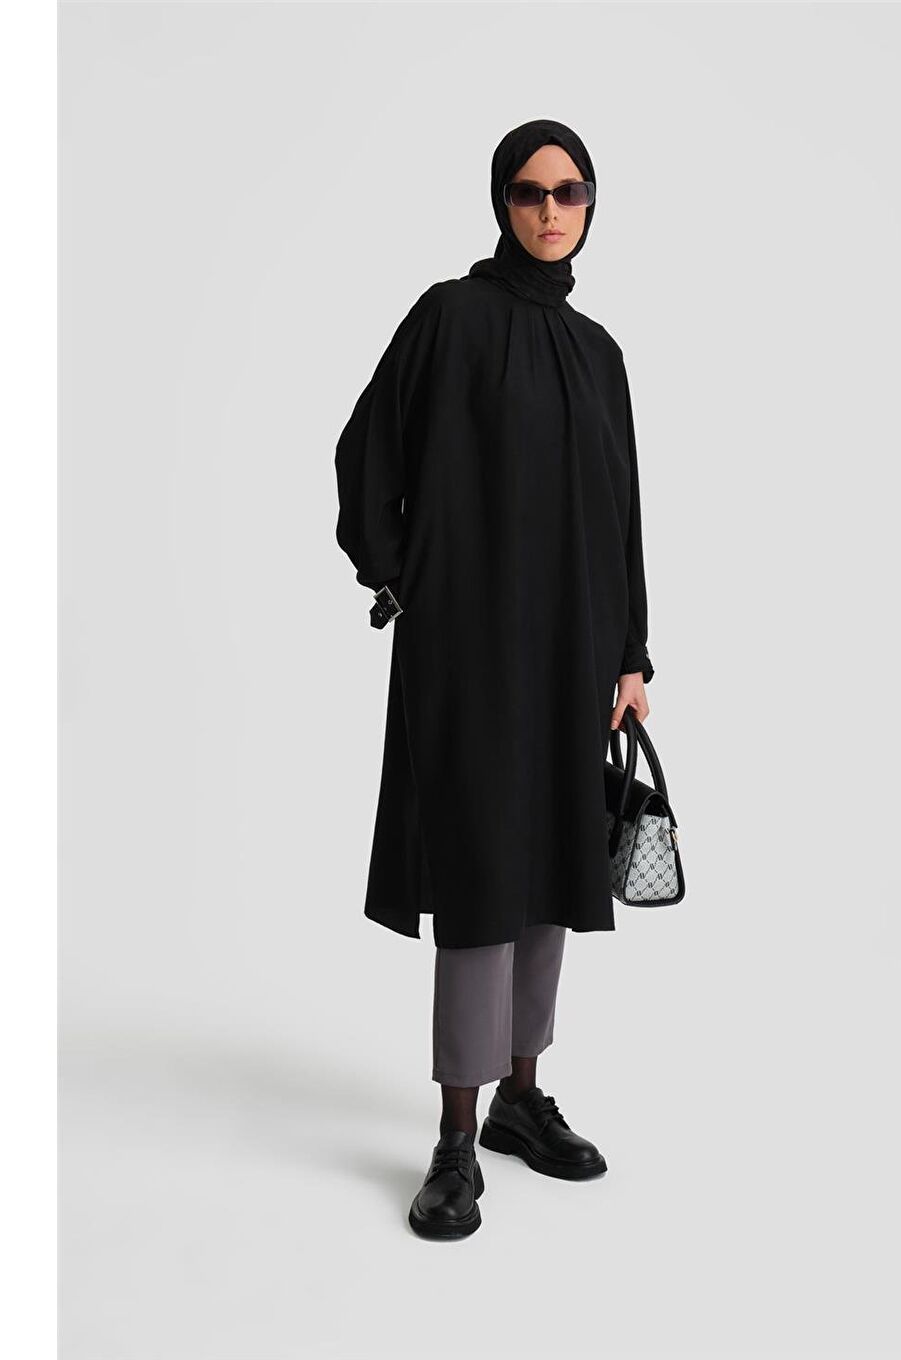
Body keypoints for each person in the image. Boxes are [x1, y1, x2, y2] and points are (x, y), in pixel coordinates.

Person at [334, 117, 655, 1239]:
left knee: (557, 866)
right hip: (469, 652)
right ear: (501, 203)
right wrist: (402, 577)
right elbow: (365, 451)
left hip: (575, 654)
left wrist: (631, 653)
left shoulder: (599, 353)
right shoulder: (449, 317)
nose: (549, 210)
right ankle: (455, 1139)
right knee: (478, 879)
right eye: (528, 191)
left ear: (591, 204)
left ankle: (522, 1097)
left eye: (569, 191)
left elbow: (622, 513)